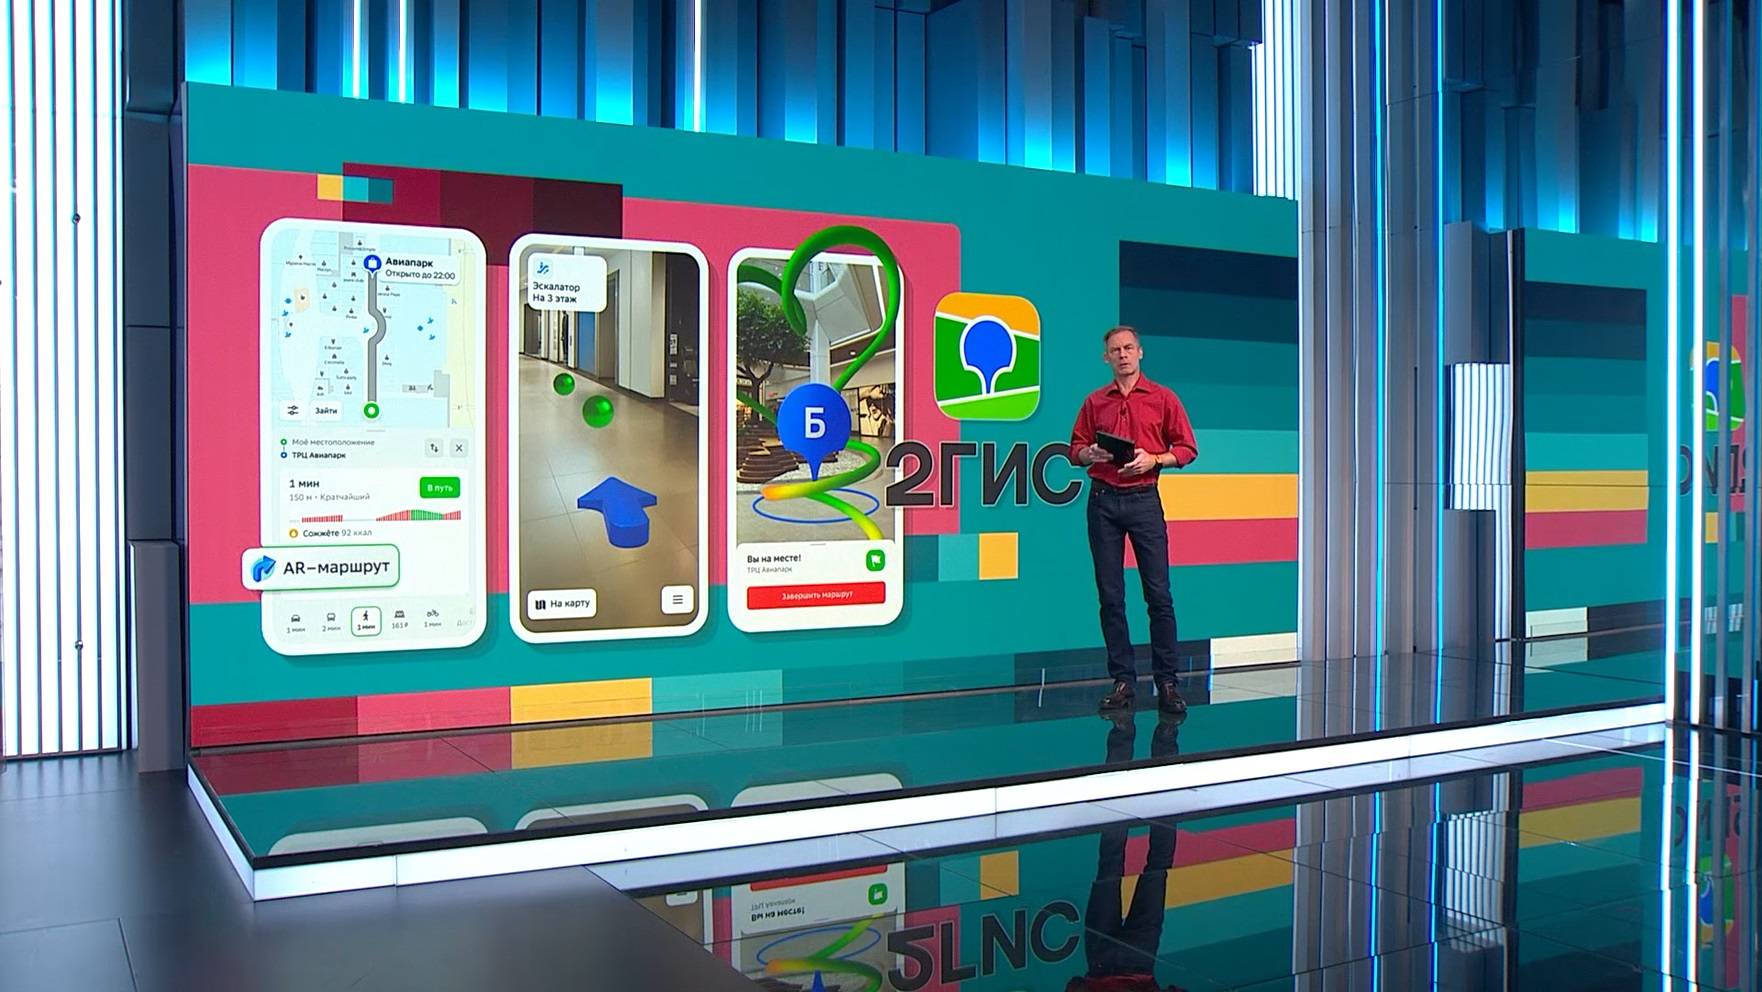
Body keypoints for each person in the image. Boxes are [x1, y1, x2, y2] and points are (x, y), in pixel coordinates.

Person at [1069, 326, 1198, 713]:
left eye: (1128, 348)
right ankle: (1123, 681)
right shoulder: (1095, 401)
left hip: (1144, 500)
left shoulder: (1163, 398)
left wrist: (1154, 459)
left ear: (1140, 352)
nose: (1122, 354)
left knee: (1158, 595)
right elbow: (1075, 449)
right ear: (1106, 358)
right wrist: (1089, 454)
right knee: (1111, 597)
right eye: (1115, 350)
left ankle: (1167, 683)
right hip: (1103, 501)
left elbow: (1187, 448)